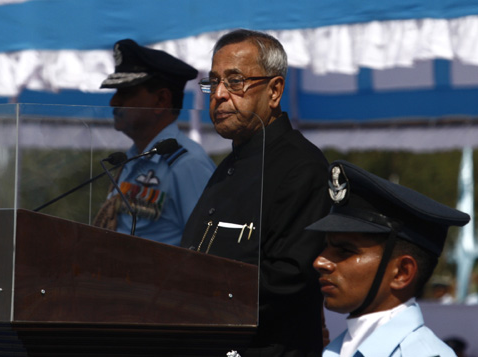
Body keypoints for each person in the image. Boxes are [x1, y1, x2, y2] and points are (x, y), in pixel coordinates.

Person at [181, 29, 331, 356]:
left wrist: (196, 295)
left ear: (274, 90)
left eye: (235, 81)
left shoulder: (302, 167)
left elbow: (289, 279)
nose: (219, 94)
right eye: (213, 82)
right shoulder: (233, 162)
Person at [306, 160, 470, 357]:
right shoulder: (335, 349)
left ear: (402, 272)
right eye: (326, 247)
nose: (320, 262)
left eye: (344, 250)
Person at [93, 39, 216, 246]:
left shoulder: (188, 165)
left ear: (161, 101)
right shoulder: (130, 159)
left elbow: (206, 248)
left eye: (126, 92)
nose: (114, 102)